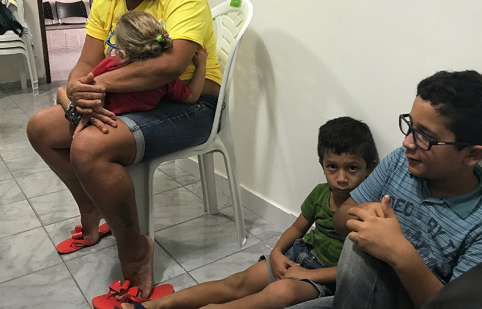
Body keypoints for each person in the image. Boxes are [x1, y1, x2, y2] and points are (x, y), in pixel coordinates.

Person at [26, 0, 222, 308]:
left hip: (193, 104)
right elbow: (84, 65)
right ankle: (92, 207)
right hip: (137, 99)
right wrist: (74, 94)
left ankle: (135, 254)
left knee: (87, 148)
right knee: (40, 129)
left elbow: (168, 67)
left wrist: (92, 87)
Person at [287, 70, 482, 309]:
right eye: (411, 126)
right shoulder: (401, 162)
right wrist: (363, 212)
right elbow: (340, 220)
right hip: (354, 296)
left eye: (425, 137)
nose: (407, 142)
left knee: (363, 248)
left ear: (473, 154)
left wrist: (400, 253)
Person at [122, 116, 380, 309]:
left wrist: (307, 275)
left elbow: (353, 269)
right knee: (237, 283)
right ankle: (156, 305)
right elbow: (296, 228)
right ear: (322, 165)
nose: (341, 177)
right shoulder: (320, 193)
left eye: (352, 169)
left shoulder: (369, 213)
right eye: (332, 167)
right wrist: (277, 253)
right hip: (298, 256)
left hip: (323, 278)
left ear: (370, 168)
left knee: (278, 295)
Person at [55, 11, 208, 138]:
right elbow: (192, 96)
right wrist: (201, 66)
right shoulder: (164, 78)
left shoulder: (110, 64)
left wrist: (90, 111)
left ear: (121, 51)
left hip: (96, 117)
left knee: (62, 91)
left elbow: (89, 90)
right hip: (134, 120)